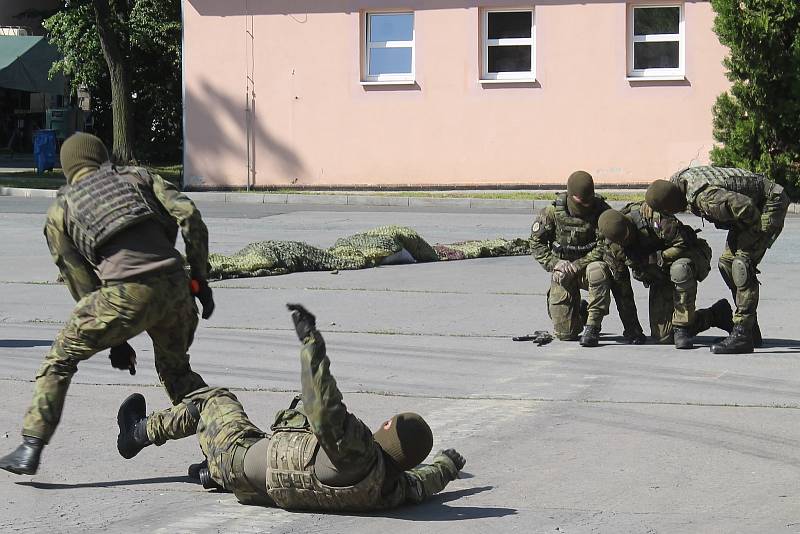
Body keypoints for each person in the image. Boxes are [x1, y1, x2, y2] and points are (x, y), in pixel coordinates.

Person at [0, 133, 215, 475]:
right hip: (176, 290)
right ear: (102, 158)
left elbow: (82, 284)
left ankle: (30, 445)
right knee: (178, 373)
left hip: (124, 296)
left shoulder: (62, 209)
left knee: (61, 358)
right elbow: (188, 214)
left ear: (67, 168)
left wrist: (116, 339)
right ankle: (219, 452)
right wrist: (198, 279)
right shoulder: (140, 177)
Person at [115, 304, 466, 511]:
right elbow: (425, 482)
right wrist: (448, 465)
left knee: (213, 399)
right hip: (253, 486)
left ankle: (136, 433)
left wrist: (312, 344)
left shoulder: (355, 451)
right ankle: (212, 473)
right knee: (228, 421)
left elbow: (322, 405)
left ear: (388, 430)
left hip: (236, 457)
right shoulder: (390, 488)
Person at [644, 167, 790, 353]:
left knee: (741, 265)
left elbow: (745, 207)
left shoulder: (705, 198)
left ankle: (743, 333)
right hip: (751, 206)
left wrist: (750, 241)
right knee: (726, 264)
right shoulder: (678, 183)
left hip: (770, 203)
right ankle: (750, 330)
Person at [530, 170, 645, 346]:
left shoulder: (602, 212)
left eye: (588, 200)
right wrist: (555, 264)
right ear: (570, 195)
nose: (585, 204)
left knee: (607, 271)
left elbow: (606, 245)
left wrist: (578, 264)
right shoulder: (551, 213)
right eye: (580, 200)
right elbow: (536, 243)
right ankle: (581, 312)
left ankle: (612, 327)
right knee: (565, 334)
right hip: (564, 272)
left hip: (593, 267)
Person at [597, 206, 733, 348]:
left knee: (679, 269)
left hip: (687, 256)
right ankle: (716, 315)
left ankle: (683, 328)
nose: (627, 240)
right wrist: (632, 329)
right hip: (660, 274)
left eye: (628, 234)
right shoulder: (612, 248)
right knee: (664, 336)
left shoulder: (652, 218)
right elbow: (622, 290)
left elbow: (684, 243)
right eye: (621, 241)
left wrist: (658, 257)